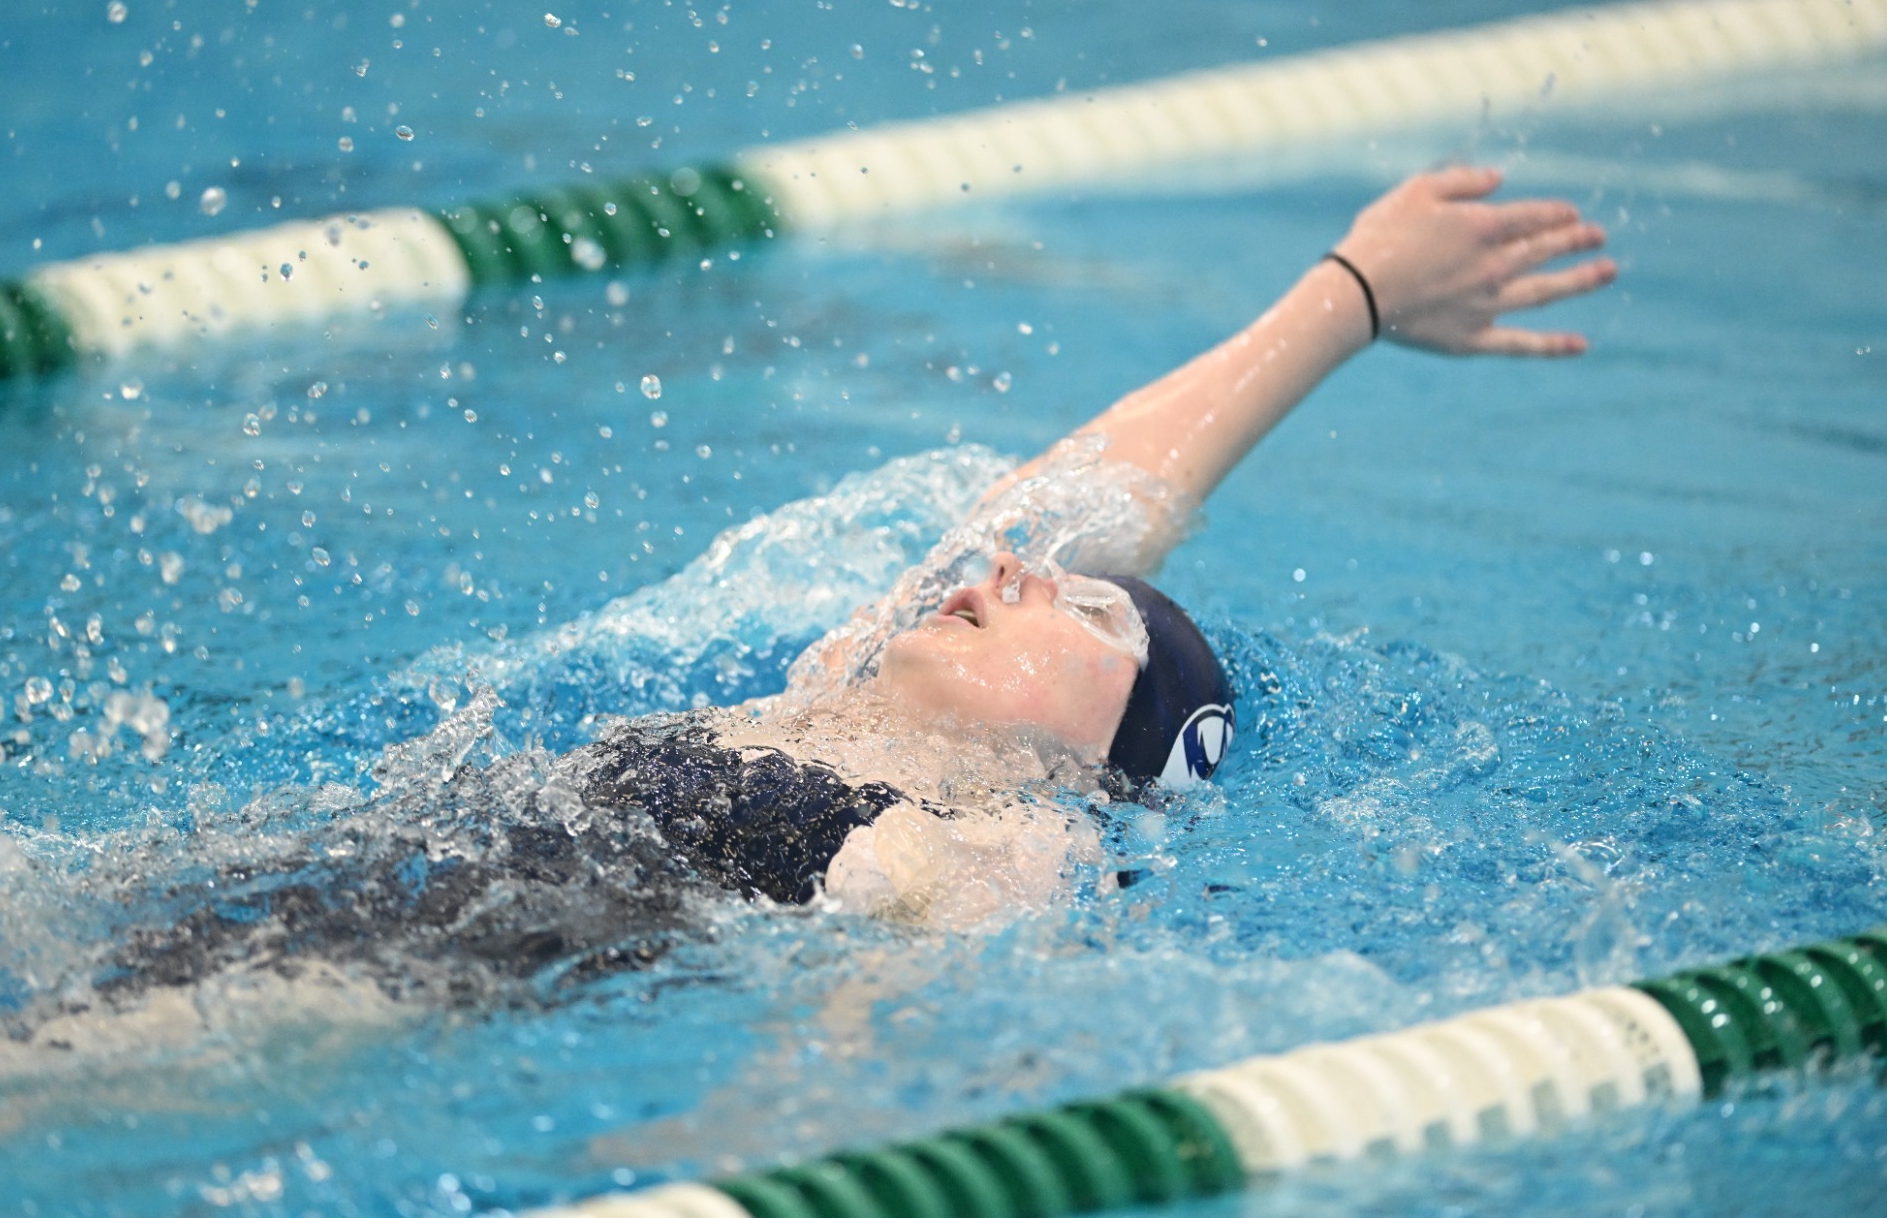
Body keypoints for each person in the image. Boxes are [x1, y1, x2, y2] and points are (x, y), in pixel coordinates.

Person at [102, 166, 1614, 1000]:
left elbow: (863, 1064)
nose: (1026, 567)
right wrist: (1346, 297)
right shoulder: (832, 688)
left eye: (1084, 610)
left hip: (352, 992)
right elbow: (1097, 495)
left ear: (1109, 756)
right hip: (279, 865)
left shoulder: (1004, 844)